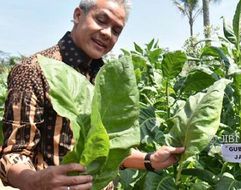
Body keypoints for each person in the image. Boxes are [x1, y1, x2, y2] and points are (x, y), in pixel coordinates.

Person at [0, 0, 185, 189]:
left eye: (116, 31)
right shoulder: (34, 70)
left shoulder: (104, 78)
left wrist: (151, 160)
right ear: (78, 15)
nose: (107, 33)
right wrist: (35, 181)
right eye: (101, 20)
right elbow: (15, 154)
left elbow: (110, 146)